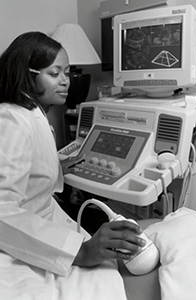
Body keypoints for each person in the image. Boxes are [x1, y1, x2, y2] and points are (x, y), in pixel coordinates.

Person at [0, 31, 146, 299]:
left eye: (66, 72)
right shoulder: (12, 120)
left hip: (44, 225)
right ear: (27, 73)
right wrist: (79, 252)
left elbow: (24, 169)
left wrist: (56, 167)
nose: (66, 81)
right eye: (55, 74)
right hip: (21, 241)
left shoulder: (34, 113)